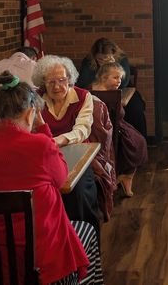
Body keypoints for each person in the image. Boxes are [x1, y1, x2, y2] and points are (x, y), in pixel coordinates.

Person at [0, 71, 102, 285]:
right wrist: (43, 128)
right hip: (33, 263)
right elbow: (61, 180)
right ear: (31, 112)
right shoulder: (40, 145)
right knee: (87, 231)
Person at [33, 55, 102, 229]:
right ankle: (55, 232)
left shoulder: (83, 96)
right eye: (51, 82)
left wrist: (57, 141)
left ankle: (84, 234)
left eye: (62, 80)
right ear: (43, 82)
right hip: (45, 158)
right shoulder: (36, 98)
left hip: (79, 156)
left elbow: (83, 130)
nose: (57, 87)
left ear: (69, 79)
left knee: (78, 192)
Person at [91, 62, 148, 197]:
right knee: (138, 143)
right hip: (109, 129)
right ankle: (124, 177)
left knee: (138, 142)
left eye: (120, 78)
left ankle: (125, 177)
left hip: (114, 126)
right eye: (115, 77)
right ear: (104, 77)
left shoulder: (107, 90)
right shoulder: (102, 94)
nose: (119, 81)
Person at [76, 38, 147, 138]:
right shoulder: (88, 61)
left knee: (136, 109)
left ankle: (137, 141)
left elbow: (123, 83)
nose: (103, 62)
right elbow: (82, 83)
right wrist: (103, 71)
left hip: (124, 91)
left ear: (114, 55)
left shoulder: (121, 58)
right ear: (94, 56)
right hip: (98, 93)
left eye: (107, 59)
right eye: (100, 59)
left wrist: (113, 66)